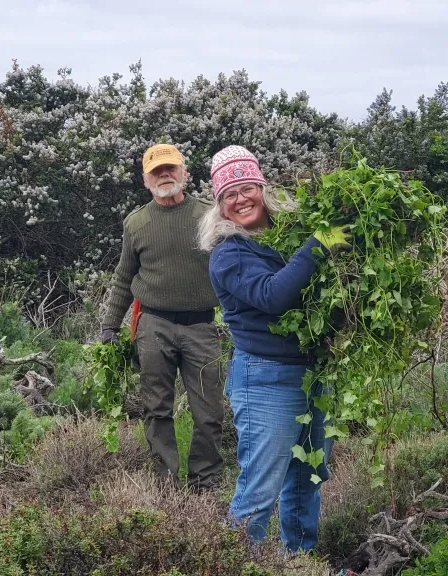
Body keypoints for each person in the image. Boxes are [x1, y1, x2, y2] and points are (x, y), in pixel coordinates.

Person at [199, 145, 350, 551]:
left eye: (246, 187)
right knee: (259, 492)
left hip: (314, 373)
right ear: (220, 206)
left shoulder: (287, 236)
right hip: (266, 379)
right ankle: (234, 562)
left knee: (307, 479)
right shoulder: (227, 254)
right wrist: (319, 244)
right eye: (228, 195)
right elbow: (272, 296)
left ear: (262, 189)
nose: (240, 199)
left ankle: (298, 559)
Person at [101, 143, 224, 491]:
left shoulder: (209, 215)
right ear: (146, 180)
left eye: (171, 169)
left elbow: (233, 267)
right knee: (156, 409)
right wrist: (110, 324)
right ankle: (166, 485)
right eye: (157, 171)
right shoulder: (136, 223)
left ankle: (205, 484)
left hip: (201, 326)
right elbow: (124, 277)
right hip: (153, 326)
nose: (164, 175)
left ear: (184, 173)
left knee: (209, 412)